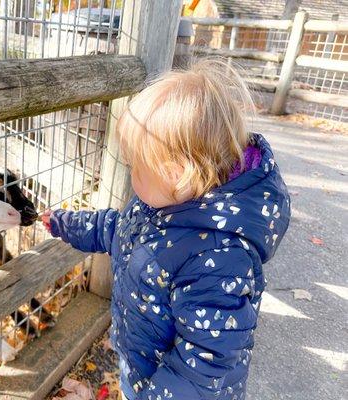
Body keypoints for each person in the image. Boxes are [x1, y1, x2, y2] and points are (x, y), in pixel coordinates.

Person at [42, 58, 291, 400]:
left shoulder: (218, 260)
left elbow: (202, 369)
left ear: (174, 173)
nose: (131, 175)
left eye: (135, 167)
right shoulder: (160, 205)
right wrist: (67, 224)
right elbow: (120, 231)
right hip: (144, 366)